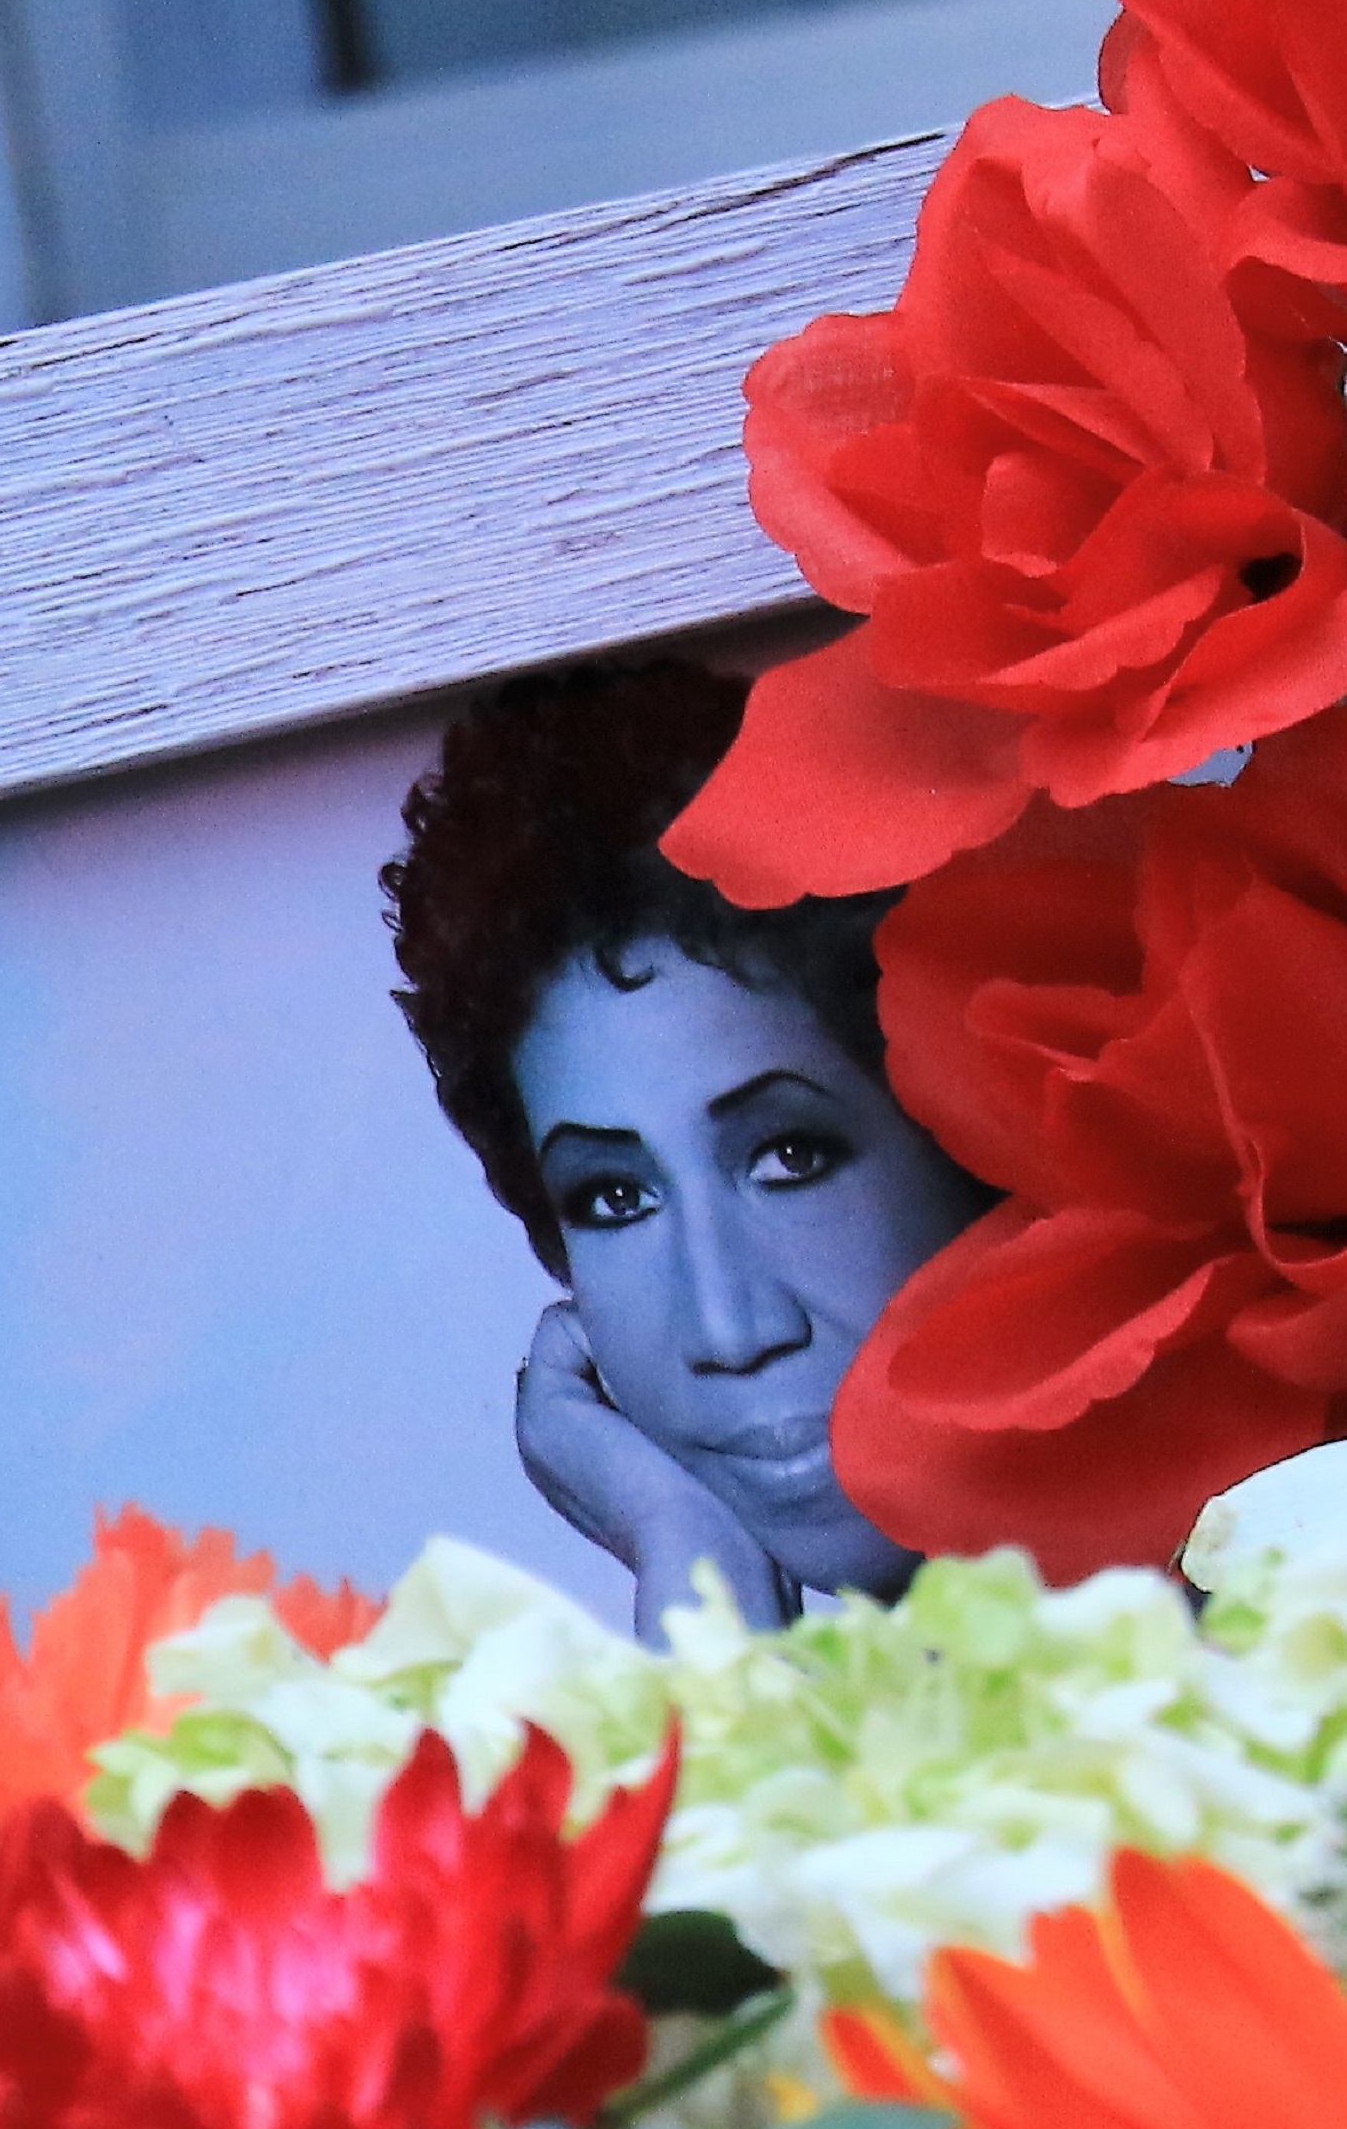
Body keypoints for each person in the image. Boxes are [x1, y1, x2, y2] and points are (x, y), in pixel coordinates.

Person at [383, 656, 988, 1638]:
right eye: (615, 1197)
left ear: (972, 1139)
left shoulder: (1283, 1591)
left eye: (790, 1156)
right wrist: (692, 1562)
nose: (730, 1329)